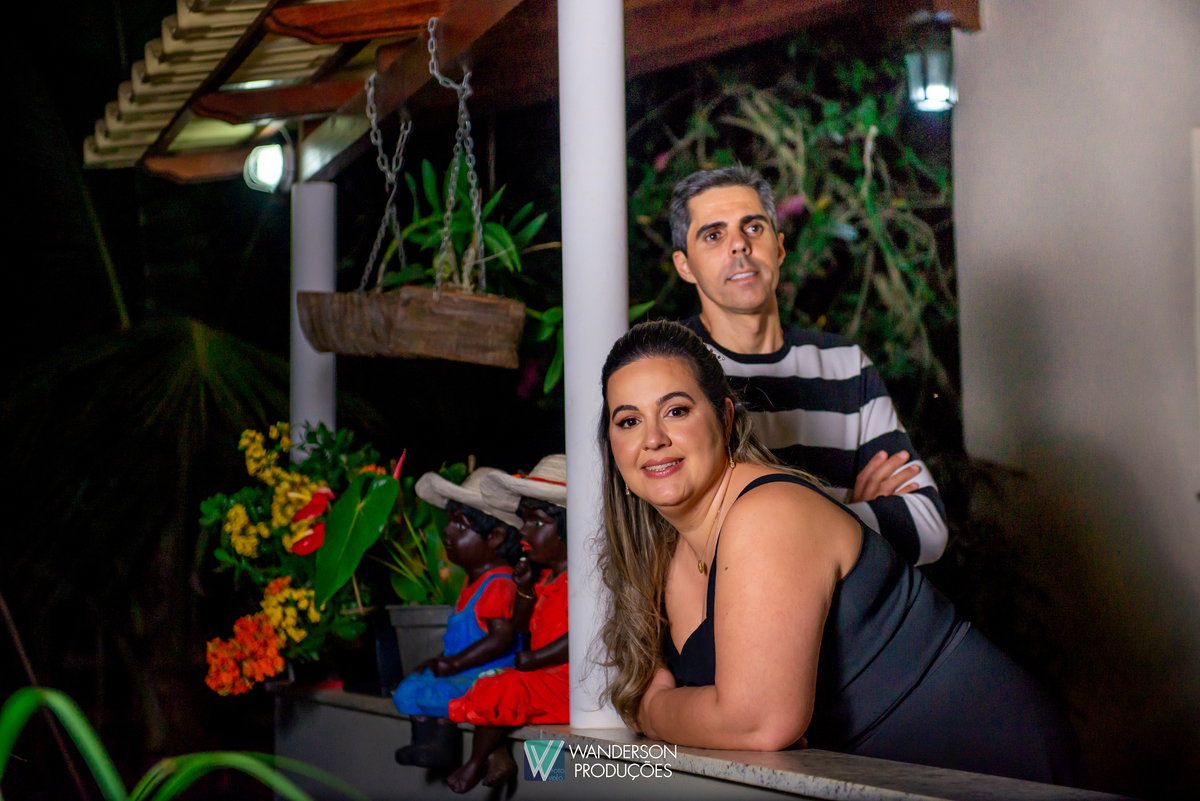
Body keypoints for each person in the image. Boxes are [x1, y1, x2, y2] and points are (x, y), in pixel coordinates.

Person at [597, 321, 1080, 784]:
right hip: (874, 780)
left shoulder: (766, 513)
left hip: (984, 760)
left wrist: (656, 710)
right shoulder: (663, 556)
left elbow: (758, 722)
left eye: (676, 411)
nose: (653, 439)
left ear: (725, 419)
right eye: (629, 421)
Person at [669, 165, 946, 565]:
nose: (739, 245)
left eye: (753, 228)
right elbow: (682, 540)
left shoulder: (846, 364)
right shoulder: (669, 369)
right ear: (685, 265)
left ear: (779, 248)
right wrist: (848, 513)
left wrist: (784, 528)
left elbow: (929, 528)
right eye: (714, 235)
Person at [444, 455, 570, 793]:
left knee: (504, 688)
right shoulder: (546, 580)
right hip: (543, 676)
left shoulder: (584, 582)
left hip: (569, 685)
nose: (524, 531)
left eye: (537, 522)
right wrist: (526, 589)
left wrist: (537, 658)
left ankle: (475, 762)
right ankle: (497, 755)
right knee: (490, 683)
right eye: (524, 521)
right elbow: (521, 628)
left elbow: (584, 639)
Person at [392, 467, 525, 769]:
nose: (447, 532)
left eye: (460, 526)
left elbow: (501, 638)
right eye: (451, 523)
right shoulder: (471, 584)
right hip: (463, 667)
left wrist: (454, 664)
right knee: (411, 688)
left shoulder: (499, 584)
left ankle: (442, 747)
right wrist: (442, 659)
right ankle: (423, 742)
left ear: (495, 537)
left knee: (440, 694)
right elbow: (460, 639)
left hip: (490, 674)